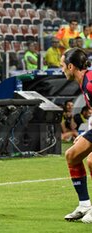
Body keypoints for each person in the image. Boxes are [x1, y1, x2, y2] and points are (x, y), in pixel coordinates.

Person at [61, 48, 92, 223]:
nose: (62, 70)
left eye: (62, 66)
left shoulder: (90, 83)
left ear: (71, 66)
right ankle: (84, 205)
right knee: (72, 156)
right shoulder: (85, 81)